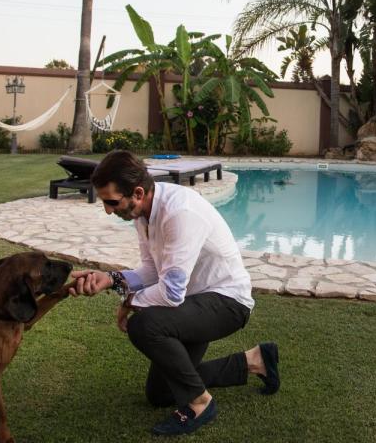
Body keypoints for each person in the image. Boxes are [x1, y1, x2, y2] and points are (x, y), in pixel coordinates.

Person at [68, 150, 279, 436]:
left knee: (144, 325)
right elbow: (151, 271)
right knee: (160, 393)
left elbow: (170, 293)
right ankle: (255, 360)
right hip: (193, 303)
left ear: (138, 193)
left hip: (227, 303)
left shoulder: (180, 213)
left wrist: (129, 301)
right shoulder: (143, 214)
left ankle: (200, 403)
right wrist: (110, 279)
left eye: (112, 202)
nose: (107, 209)